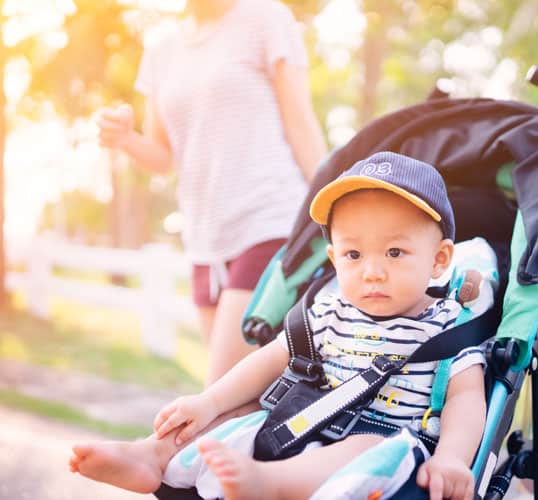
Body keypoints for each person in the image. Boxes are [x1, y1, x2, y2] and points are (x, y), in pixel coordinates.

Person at [69, 152, 488, 500]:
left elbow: (466, 399)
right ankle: (154, 455)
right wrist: (210, 402)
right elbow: (271, 358)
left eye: (395, 252)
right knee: (244, 415)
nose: (372, 272)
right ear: (333, 256)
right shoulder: (329, 309)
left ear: (438, 260)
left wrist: (451, 457)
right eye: (353, 255)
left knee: (366, 445)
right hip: (304, 420)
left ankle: (267, 485)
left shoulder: (448, 325)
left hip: (387, 443)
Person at [97, 0, 328, 383]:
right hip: (205, 240)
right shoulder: (161, 49)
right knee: (240, 402)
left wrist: (331, 208)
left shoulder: (266, 19)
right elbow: (162, 156)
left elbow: (301, 124)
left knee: (218, 394)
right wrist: (125, 140)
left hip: (269, 219)